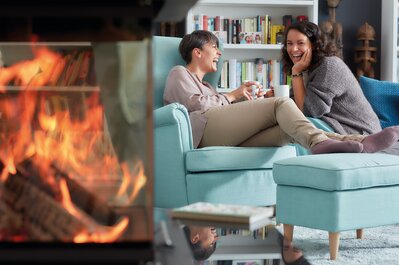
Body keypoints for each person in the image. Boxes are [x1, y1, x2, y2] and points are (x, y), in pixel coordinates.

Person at [163, 30, 399, 155]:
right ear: (196, 52)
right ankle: (319, 143)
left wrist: (244, 104)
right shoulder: (179, 73)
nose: (219, 53)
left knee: (287, 130)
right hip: (201, 135)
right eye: (214, 47)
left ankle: (361, 142)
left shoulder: (208, 86)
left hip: (217, 133)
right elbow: (197, 107)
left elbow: (214, 105)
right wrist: (233, 96)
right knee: (280, 104)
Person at [281, 21, 399, 154]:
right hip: (335, 126)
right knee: (288, 121)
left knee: (300, 124)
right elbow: (294, 105)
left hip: (360, 131)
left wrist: (296, 72)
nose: (293, 49)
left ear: (313, 45)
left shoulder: (329, 66)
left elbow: (309, 111)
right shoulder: (306, 69)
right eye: (289, 43)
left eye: (300, 43)